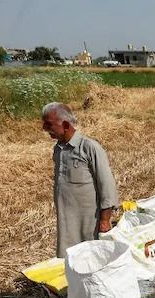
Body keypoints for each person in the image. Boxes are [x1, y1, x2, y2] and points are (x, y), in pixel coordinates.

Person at [41, 102, 118, 258]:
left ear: (65, 125)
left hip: (90, 224)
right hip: (66, 221)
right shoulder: (58, 150)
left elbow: (107, 186)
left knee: (91, 258)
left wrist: (105, 220)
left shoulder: (89, 148)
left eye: (48, 124)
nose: (44, 128)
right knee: (71, 258)